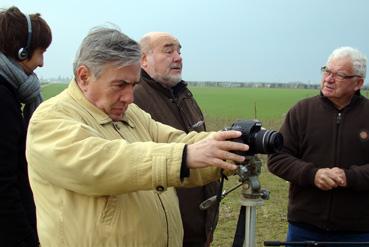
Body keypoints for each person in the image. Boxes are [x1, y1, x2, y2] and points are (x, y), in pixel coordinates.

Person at [25, 26, 248, 246]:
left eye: (133, 85)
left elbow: (174, 141)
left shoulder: (131, 113)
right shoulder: (49, 119)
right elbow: (101, 163)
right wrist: (184, 156)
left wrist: (229, 146)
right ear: (84, 76)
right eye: (120, 85)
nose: (129, 97)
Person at [268, 47, 369, 245]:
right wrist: (312, 174)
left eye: (339, 74)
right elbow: (277, 158)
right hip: (304, 229)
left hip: (358, 232)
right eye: (327, 71)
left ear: (358, 83)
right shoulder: (302, 111)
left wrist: (350, 177)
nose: (329, 79)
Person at [134, 31, 219, 247]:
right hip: (164, 231)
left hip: (198, 227)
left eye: (179, 51)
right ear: (144, 59)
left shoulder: (183, 95)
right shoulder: (133, 99)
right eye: (168, 50)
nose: (178, 57)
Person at [0, 6, 52, 247]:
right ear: (22, 51)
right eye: (40, 52)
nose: (41, 63)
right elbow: (4, 185)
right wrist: (27, 239)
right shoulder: (3, 99)